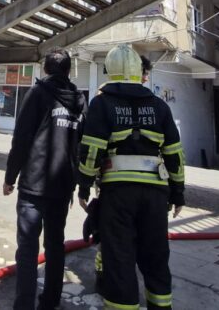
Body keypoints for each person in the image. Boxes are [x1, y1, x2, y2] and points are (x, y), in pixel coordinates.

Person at [77, 44, 185, 310]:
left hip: (118, 193)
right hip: (155, 194)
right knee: (156, 256)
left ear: (109, 71)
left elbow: (91, 149)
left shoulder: (102, 103)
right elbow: (174, 154)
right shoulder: (159, 106)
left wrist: (83, 186)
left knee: (119, 258)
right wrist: (178, 192)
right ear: (139, 72)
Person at [3, 48, 86, 310]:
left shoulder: (38, 94)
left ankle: (24, 305)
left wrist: (10, 176)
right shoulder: (80, 101)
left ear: (46, 70)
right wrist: (81, 184)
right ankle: (50, 302)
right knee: (55, 246)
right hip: (63, 186)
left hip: (34, 186)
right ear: (69, 71)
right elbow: (83, 145)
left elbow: (22, 138)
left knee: (28, 249)